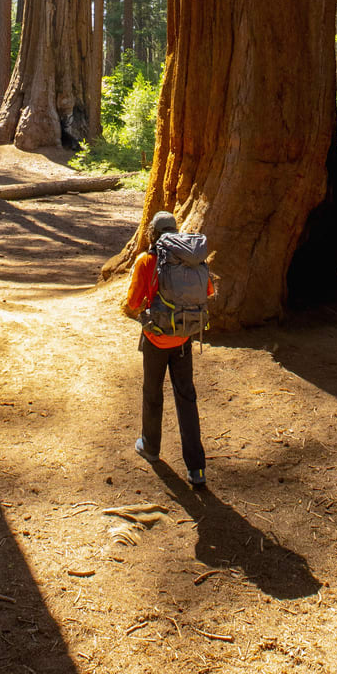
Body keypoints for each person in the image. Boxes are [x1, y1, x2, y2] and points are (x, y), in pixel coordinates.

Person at [122, 209, 216, 488]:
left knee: (152, 392)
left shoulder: (146, 261)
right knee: (186, 397)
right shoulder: (190, 260)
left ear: (152, 233)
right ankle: (197, 468)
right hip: (184, 337)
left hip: (155, 339)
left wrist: (141, 309)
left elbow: (132, 303)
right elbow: (208, 292)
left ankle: (150, 447)